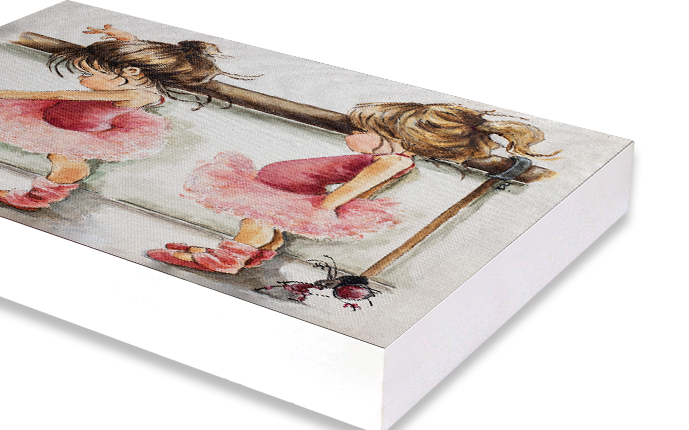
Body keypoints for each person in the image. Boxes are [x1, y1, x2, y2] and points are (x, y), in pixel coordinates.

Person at [0, 24, 245, 210]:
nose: (84, 78)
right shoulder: (135, 75)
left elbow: (55, 92)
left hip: (83, 128)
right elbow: (133, 57)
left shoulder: (134, 92)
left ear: (131, 74)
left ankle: (36, 198)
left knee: (66, 161)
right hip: (52, 115)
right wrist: (121, 38)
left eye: (90, 73)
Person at [147, 101, 559, 274]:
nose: (353, 134)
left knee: (254, 220)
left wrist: (325, 206)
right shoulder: (390, 155)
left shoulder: (392, 161)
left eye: (363, 130)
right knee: (259, 224)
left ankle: (226, 259)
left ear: (393, 141)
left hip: (292, 198)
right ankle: (250, 253)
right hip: (282, 190)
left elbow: (358, 186)